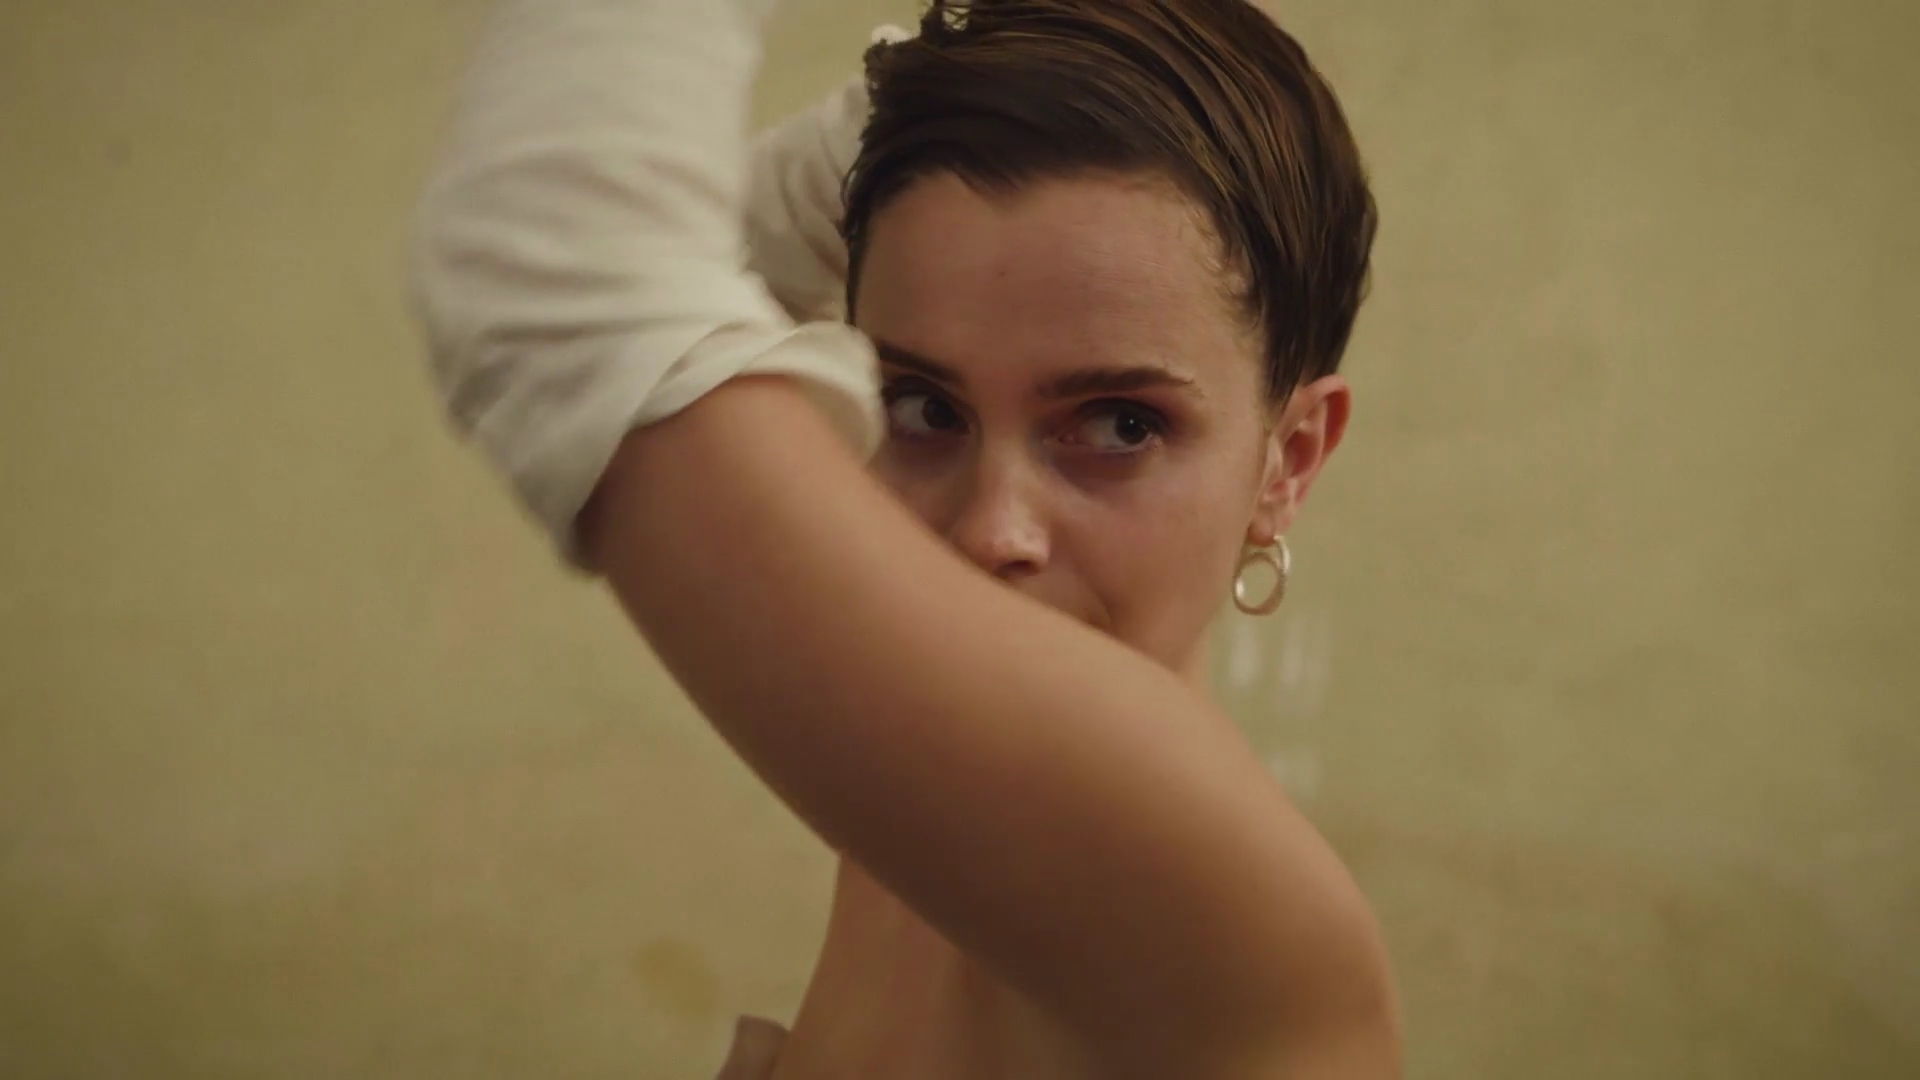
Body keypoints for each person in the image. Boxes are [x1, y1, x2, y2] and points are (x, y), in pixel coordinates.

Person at [410, 1, 1397, 1076]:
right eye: (925, 408)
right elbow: (693, 272)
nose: (989, 532)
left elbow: (554, 273)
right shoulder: (937, 816)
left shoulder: (1193, 886)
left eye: (1120, 426)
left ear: (1289, 461)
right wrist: (918, 102)